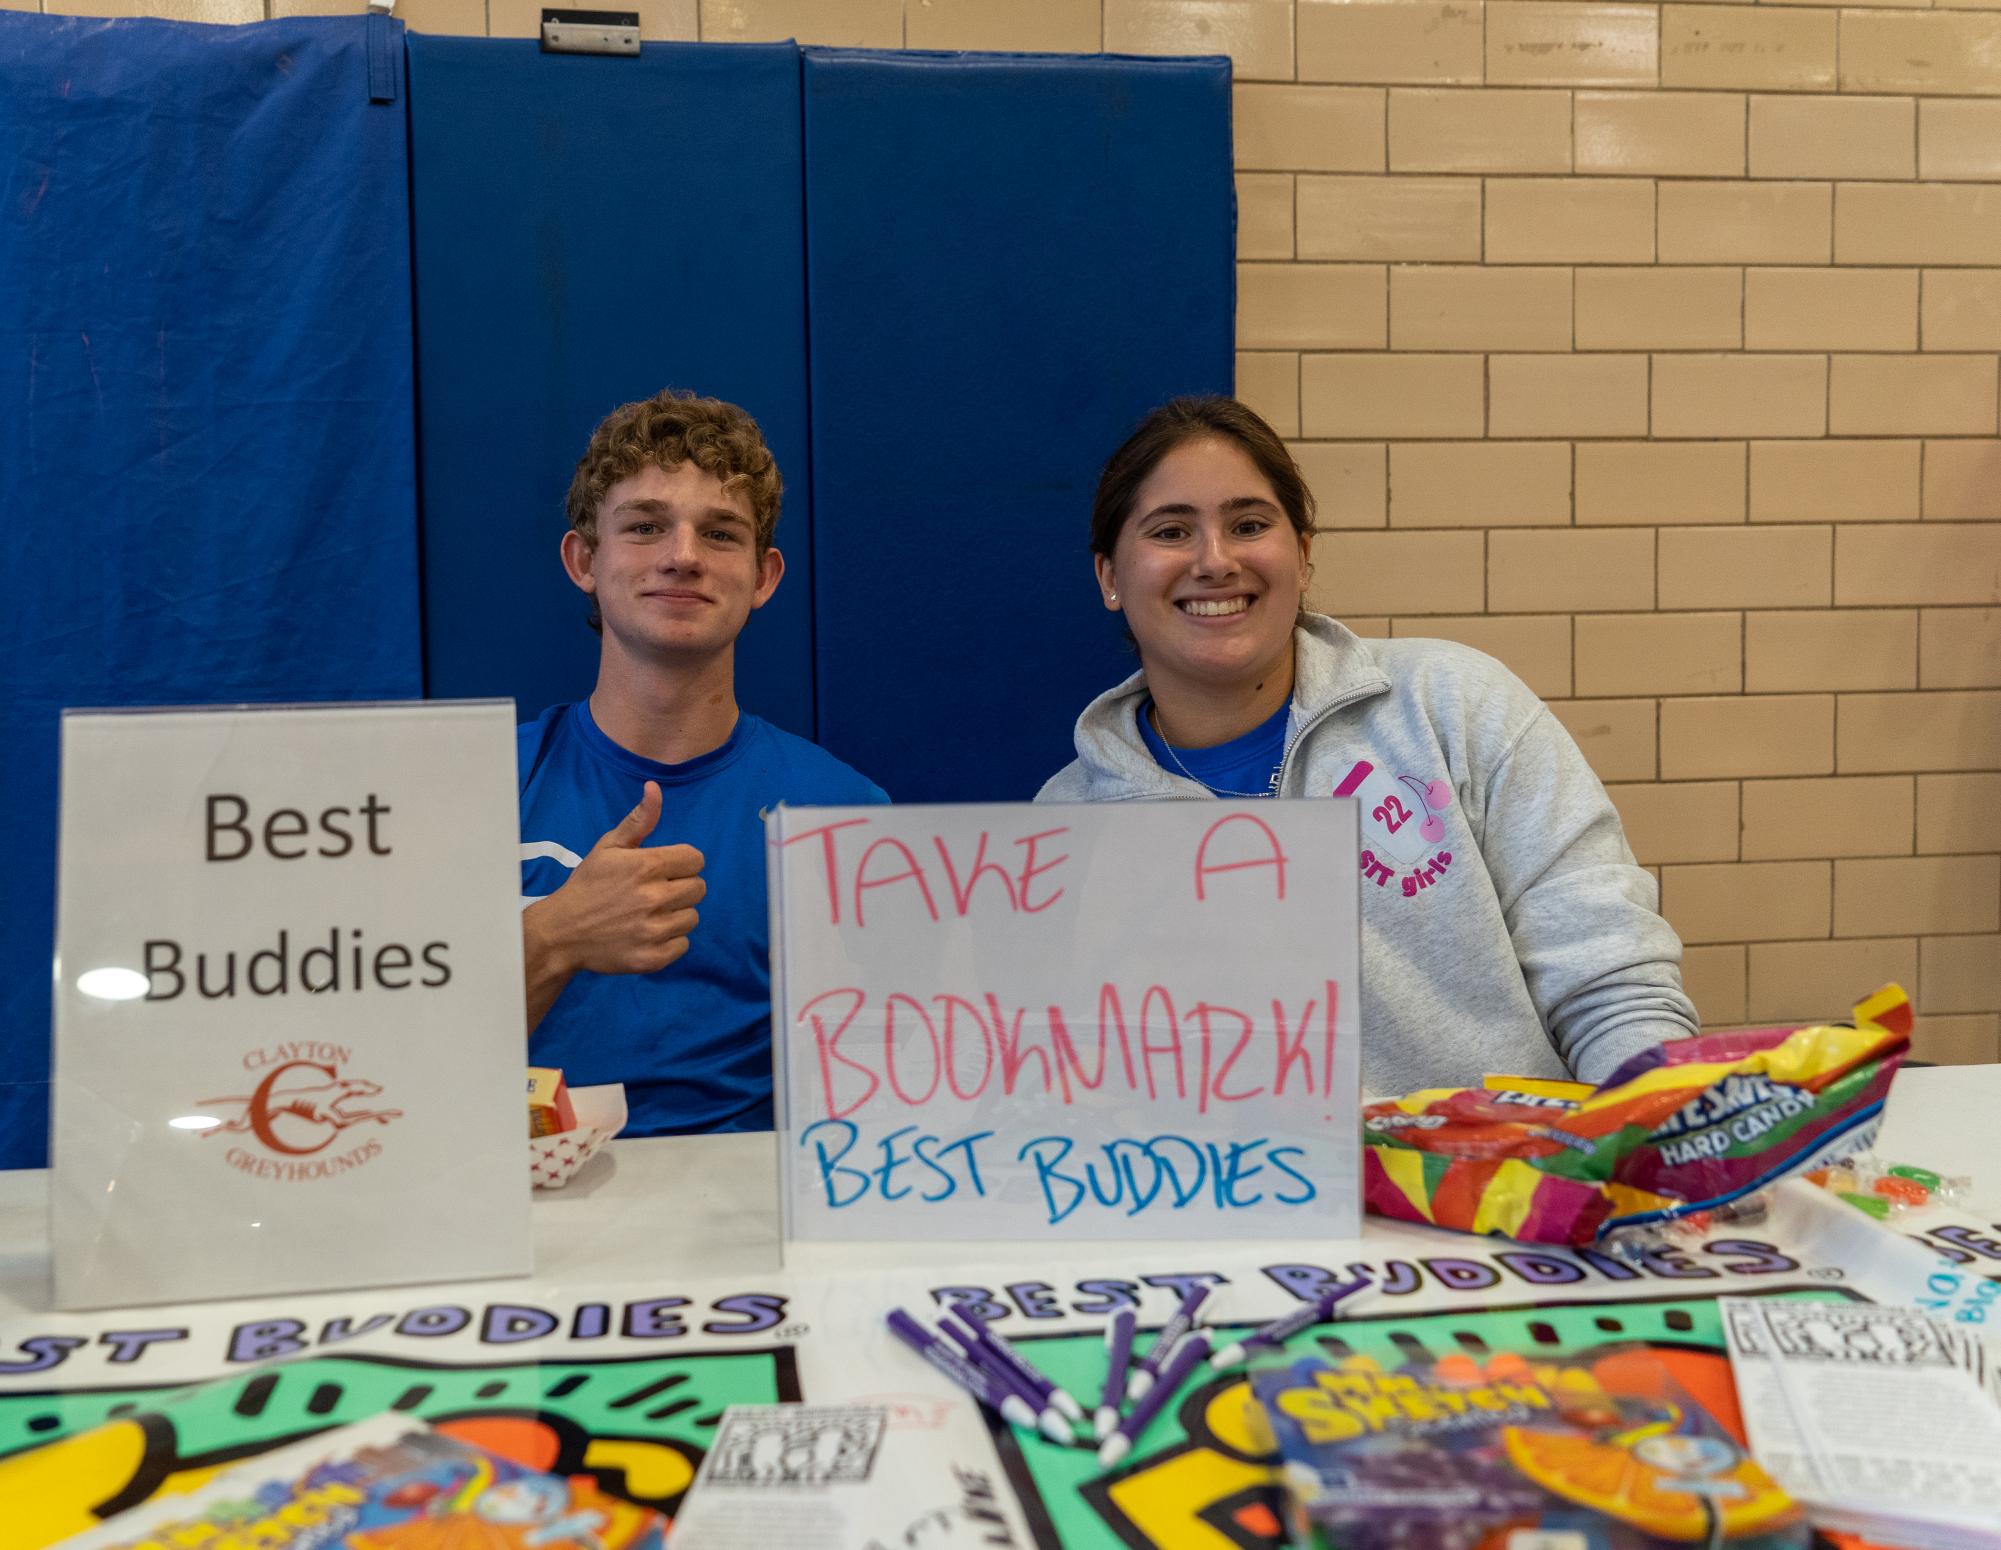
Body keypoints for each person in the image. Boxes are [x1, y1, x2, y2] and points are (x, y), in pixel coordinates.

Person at [1039, 396, 1696, 1094]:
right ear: (1110, 576)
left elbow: (1609, 976)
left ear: (1301, 554)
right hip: (1247, 1199)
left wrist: (1657, 1122)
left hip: (1506, 1189)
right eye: (1171, 531)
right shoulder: (1067, 828)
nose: (1215, 560)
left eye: (1249, 524)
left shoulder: (1452, 705)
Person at [518, 389, 887, 1136]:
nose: (682, 556)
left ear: (763, 577)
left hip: (747, 1224)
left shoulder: (841, 812)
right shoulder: (474, 786)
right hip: (521, 1211)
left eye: (720, 534)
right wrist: (553, 937)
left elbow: (877, 1095)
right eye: (646, 526)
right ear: (583, 559)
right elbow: (391, 1059)